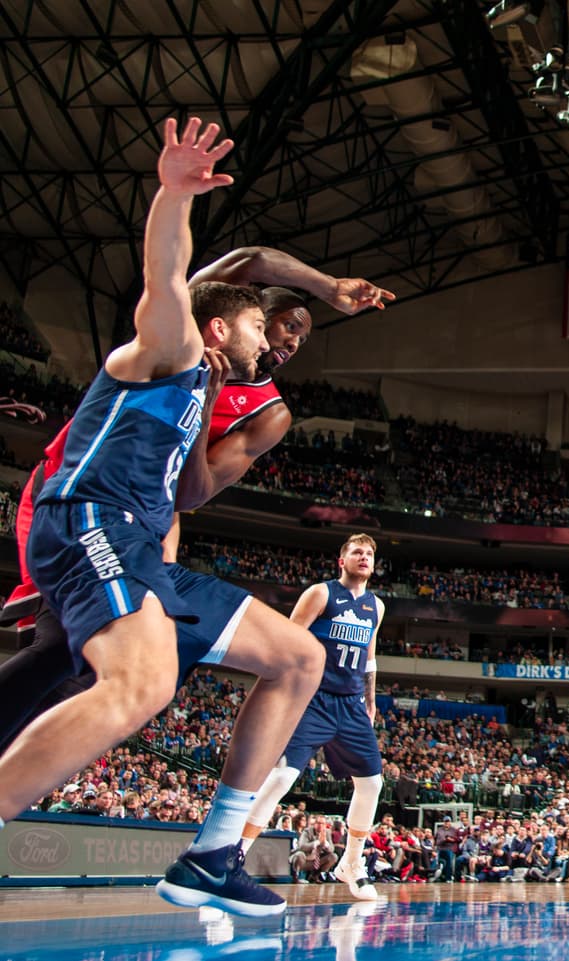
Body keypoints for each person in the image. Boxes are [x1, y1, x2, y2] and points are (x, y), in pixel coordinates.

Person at [0, 119, 324, 919]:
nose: (271, 340)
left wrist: (216, 398)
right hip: (85, 521)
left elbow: (191, 493)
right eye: (260, 326)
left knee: (297, 656)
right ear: (219, 326)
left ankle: (213, 854)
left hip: (141, 544)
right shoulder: (170, 347)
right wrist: (173, 193)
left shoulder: (203, 388)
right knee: (140, 684)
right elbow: (167, 274)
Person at [0, 256, 391, 754]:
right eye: (289, 325)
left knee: (76, 656)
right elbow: (249, 261)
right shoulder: (187, 339)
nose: (293, 342)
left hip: (134, 517)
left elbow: (188, 495)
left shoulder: (269, 412)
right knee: (66, 646)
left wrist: (206, 406)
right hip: (72, 490)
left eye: (303, 338)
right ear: (246, 316)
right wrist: (329, 286)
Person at [240, 534, 386, 902]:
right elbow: (288, 640)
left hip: (352, 703)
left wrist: (370, 699)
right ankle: (231, 857)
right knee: (279, 779)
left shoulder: (376, 606)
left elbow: (369, 656)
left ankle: (351, 863)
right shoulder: (321, 594)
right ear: (342, 560)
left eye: (369, 553)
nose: (364, 557)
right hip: (314, 699)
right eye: (357, 552)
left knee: (371, 785)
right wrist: (283, 691)